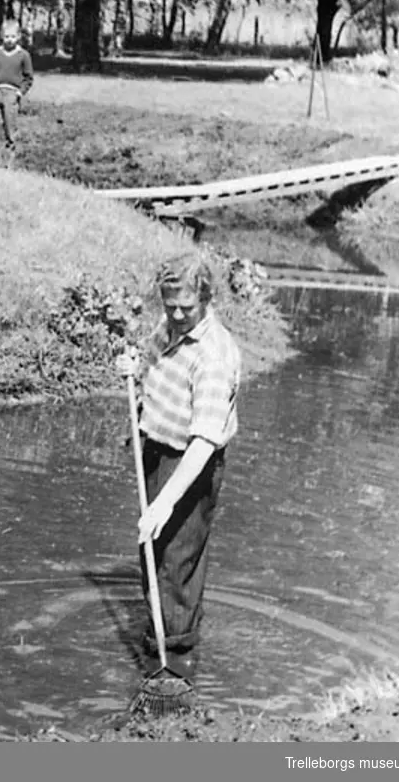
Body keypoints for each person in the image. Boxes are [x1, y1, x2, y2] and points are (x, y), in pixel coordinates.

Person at [116, 252, 241, 680]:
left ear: (206, 298)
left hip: (190, 466)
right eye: (170, 305)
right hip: (157, 451)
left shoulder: (214, 355)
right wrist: (135, 367)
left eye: (186, 307)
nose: (177, 314)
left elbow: (205, 441)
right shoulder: (171, 326)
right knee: (153, 553)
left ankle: (176, 666)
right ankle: (159, 647)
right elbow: (151, 360)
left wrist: (165, 502)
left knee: (174, 566)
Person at [0, 22, 34, 166]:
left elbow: (28, 77)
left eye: (12, 36)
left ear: (18, 37)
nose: (9, 39)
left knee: (10, 126)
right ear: (1, 36)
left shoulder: (23, 55)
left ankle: (9, 160)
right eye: (6, 36)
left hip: (12, 93)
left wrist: (20, 92)